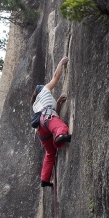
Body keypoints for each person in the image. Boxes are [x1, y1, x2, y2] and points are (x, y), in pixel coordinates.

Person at [31, 56, 71, 188]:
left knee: (50, 153)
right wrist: (61, 63)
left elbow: (54, 111)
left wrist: (59, 102)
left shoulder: (37, 104)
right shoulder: (43, 91)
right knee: (59, 126)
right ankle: (60, 136)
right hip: (47, 118)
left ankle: (45, 179)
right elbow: (55, 77)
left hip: (41, 128)